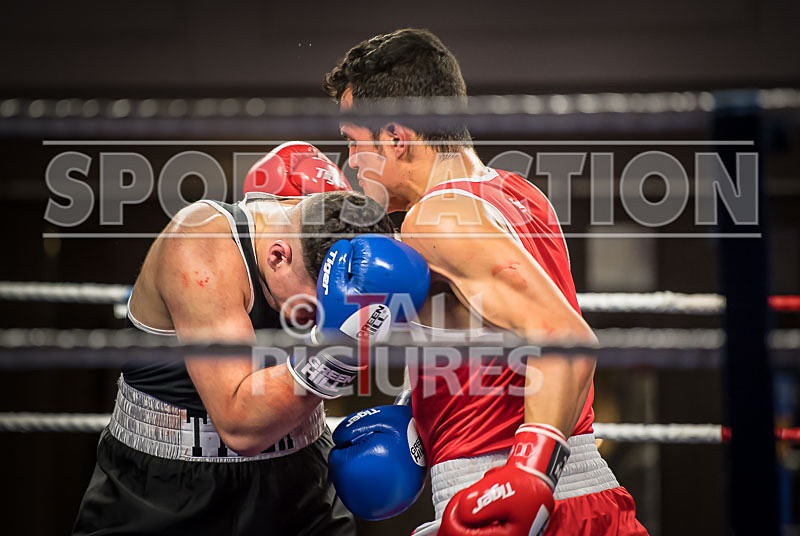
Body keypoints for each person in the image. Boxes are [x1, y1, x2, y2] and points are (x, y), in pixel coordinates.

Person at [323, 29, 648, 535]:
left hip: (513, 499)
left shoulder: (434, 218)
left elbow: (565, 338)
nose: (351, 164)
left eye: (353, 143)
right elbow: (496, 343)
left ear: (395, 137)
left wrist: (529, 474)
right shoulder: (521, 194)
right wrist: (417, 415)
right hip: (578, 494)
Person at [73, 143, 429, 536]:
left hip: (299, 483)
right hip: (165, 493)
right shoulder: (201, 248)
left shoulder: (330, 229)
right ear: (278, 256)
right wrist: (337, 352)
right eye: (311, 312)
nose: (313, 324)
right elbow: (239, 424)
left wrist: (410, 410)